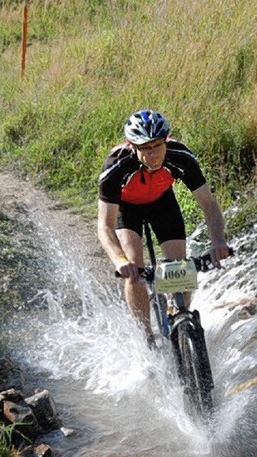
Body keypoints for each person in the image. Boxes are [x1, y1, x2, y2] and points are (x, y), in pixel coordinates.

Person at [97, 109, 230, 337]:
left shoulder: (181, 157)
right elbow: (105, 226)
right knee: (134, 267)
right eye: (145, 148)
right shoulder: (116, 167)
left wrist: (218, 241)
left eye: (157, 145)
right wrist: (120, 261)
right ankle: (147, 335)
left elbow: (209, 204)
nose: (153, 154)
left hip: (162, 203)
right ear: (132, 146)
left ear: (167, 140)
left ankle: (180, 315)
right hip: (128, 210)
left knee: (180, 267)